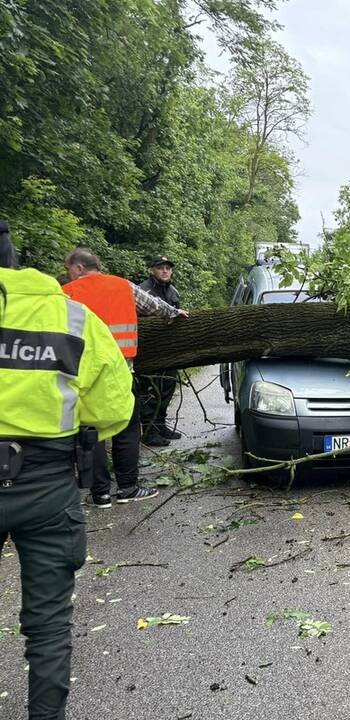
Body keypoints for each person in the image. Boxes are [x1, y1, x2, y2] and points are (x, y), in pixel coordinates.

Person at [0, 221, 134, 720]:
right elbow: (113, 410)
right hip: (46, 482)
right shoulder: (72, 318)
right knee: (49, 621)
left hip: (45, 478)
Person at [62, 248, 188, 507]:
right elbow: (154, 306)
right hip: (120, 371)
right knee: (126, 430)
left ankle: (100, 494)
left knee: (91, 432)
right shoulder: (123, 286)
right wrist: (175, 313)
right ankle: (128, 488)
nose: (69, 275)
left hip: (82, 375)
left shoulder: (66, 294)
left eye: (68, 271)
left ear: (77, 268)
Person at [135, 255, 182, 446]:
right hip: (149, 350)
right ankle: (149, 431)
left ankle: (160, 425)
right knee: (150, 391)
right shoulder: (143, 290)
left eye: (168, 268)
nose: (165, 271)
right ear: (151, 270)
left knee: (168, 388)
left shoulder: (173, 292)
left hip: (169, 350)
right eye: (161, 268)